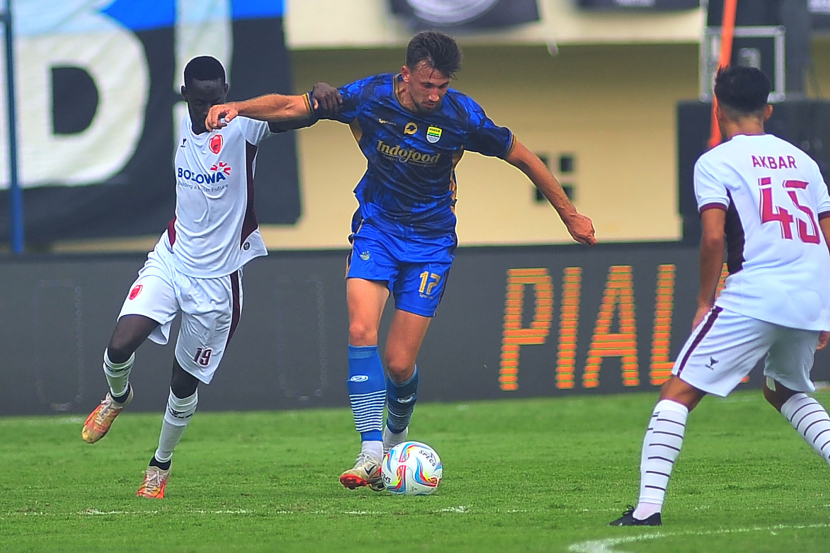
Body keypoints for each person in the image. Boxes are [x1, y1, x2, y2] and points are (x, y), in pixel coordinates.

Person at [206, 30, 597, 491]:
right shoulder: (370, 96)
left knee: (397, 364)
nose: (434, 95)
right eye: (426, 85)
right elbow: (293, 107)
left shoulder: (462, 115)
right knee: (359, 329)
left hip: (431, 243)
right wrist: (238, 108)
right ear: (406, 75)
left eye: (442, 86)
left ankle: (395, 441)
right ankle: (371, 453)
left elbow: (524, 158)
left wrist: (569, 215)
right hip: (378, 229)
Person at [81, 55, 340, 498]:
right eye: (200, 102)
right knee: (119, 345)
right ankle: (117, 398)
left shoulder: (242, 127)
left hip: (217, 284)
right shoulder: (175, 126)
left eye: (215, 99)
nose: (208, 111)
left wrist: (319, 93)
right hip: (171, 260)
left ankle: (159, 467)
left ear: (226, 92)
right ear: (186, 96)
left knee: (182, 384)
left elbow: (290, 109)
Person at [610, 65, 830, 527]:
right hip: (810, 292)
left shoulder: (715, 161)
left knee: (678, 393)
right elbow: (827, 235)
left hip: (756, 291)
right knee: (784, 390)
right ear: (767, 109)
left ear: (717, 108)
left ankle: (648, 509)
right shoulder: (804, 162)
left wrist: (705, 301)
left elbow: (713, 239)